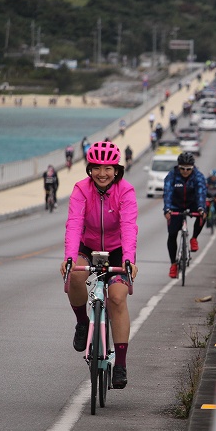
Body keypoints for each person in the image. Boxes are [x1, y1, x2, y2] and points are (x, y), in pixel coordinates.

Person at [59, 141, 139, 389]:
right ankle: (83, 322)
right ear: (89, 169)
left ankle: (121, 364)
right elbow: (74, 224)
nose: (102, 173)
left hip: (117, 251)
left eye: (108, 168)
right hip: (88, 246)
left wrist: (129, 260)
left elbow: (129, 227)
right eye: (96, 168)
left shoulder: (125, 191)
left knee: (116, 298)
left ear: (116, 170)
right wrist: (69, 257)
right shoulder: (81, 190)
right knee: (74, 277)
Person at [162, 152, 207, 279]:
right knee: (172, 235)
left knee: (203, 214)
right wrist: (167, 210)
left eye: (188, 169)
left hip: (193, 203)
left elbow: (201, 192)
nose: (185, 171)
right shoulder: (172, 176)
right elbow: (168, 193)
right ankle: (173, 264)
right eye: (182, 168)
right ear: (178, 167)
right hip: (176, 205)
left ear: (193, 168)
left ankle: (194, 238)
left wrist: (201, 208)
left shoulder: (198, 176)